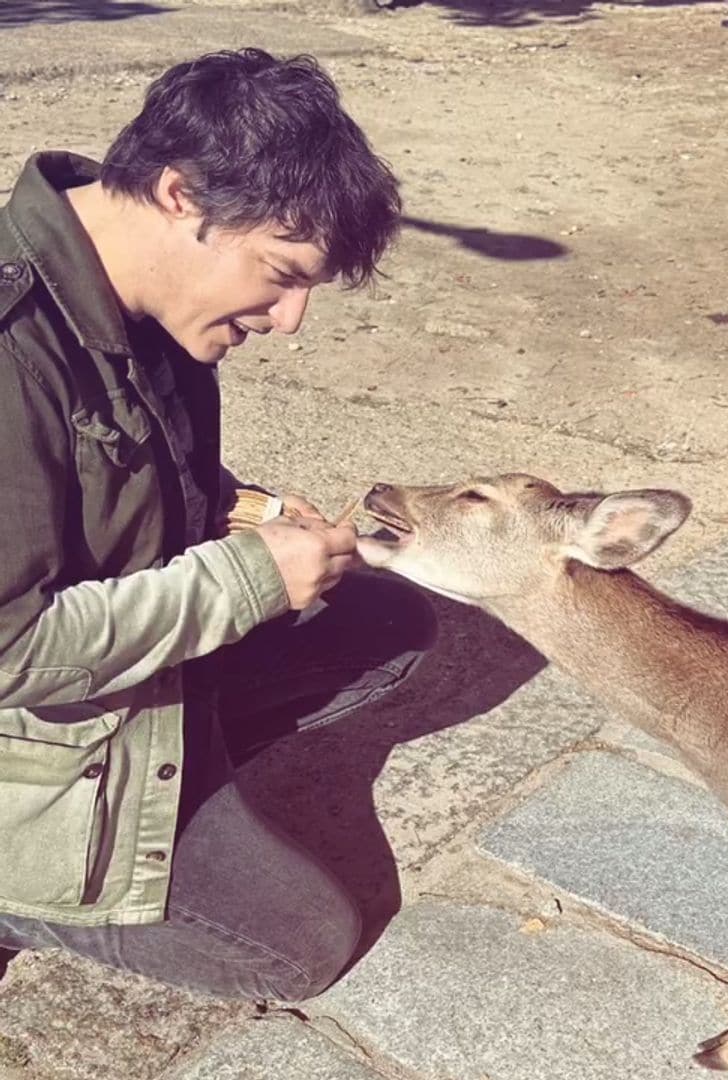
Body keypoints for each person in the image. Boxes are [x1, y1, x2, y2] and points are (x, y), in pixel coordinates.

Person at [0, 48, 436, 1001]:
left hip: (116, 674)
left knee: (391, 625)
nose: (291, 321)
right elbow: (10, 648)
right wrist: (248, 583)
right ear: (177, 195)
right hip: (20, 726)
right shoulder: (10, 350)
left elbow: (138, 480)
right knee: (300, 945)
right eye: (281, 275)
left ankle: (175, 768)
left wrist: (256, 515)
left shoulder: (142, 294)